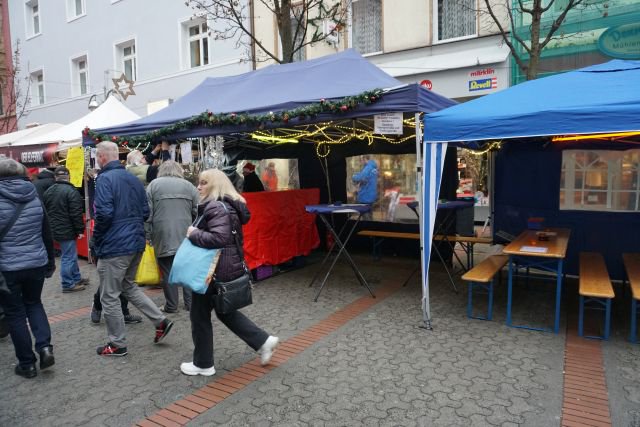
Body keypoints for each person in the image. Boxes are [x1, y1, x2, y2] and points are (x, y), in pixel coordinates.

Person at [180, 168, 278, 376]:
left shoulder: (215, 206)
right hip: (222, 268)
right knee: (223, 311)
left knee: (199, 315)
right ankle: (263, 341)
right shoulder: (227, 206)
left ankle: (203, 364)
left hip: (212, 271)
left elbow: (219, 239)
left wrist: (194, 233)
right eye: (199, 182)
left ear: (216, 184)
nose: (198, 186)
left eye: (204, 183)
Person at [92, 141, 173, 357]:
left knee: (109, 296)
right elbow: (146, 212)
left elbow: (104, 214)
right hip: (135, 242)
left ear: (101, 157)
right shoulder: (133, 178)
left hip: (114, 245)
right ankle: (160, 320)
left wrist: (96, 240)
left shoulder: (104, 179)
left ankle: (117, 344)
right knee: (128, 286)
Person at [0, 158, 56, 378]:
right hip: (36, 262)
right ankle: (44, 347)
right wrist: (50, 262)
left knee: (15, 314)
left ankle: (27, 364)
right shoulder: (33, 195)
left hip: (7, 267)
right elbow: (46, 231)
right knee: (34, 304)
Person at [146, 160, 199, 313]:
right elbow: (199, 211)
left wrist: (147, 234)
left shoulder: (153, 185)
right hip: (186, 234)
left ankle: (171, 305)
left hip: (162, 234)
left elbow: (147, 213)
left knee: (167, 270)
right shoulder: (189, 186)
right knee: (187, 269)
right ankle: (190, 304)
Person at [43, 166, 89, 293]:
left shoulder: (49, 191)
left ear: (55, 177)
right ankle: (68, 283)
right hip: (66, 229)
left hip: (55, 229)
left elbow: (45, 211)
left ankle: (76, 278)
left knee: (70, 255)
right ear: (68, 176)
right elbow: (76, 213)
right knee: (68, 257)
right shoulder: (71, 191)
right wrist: (80, 230)